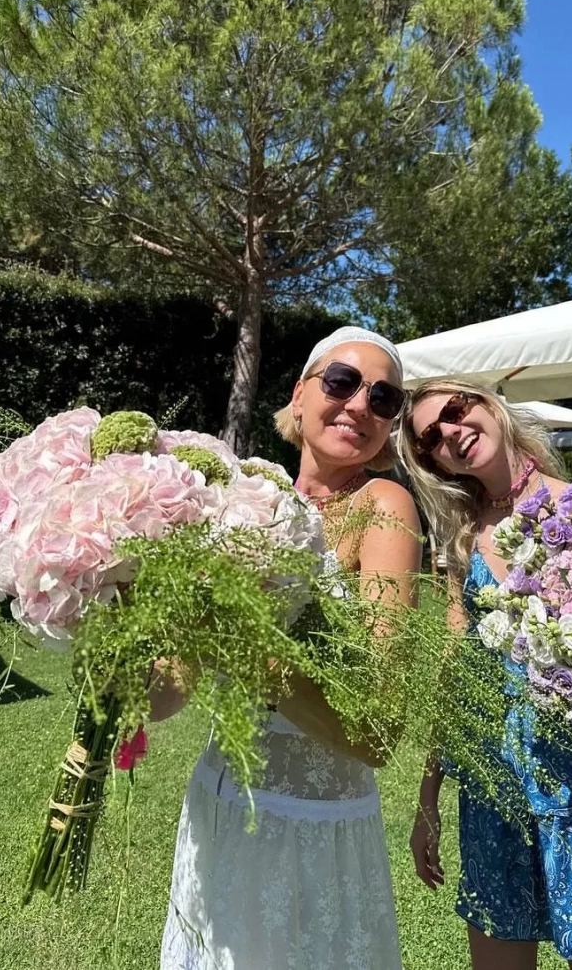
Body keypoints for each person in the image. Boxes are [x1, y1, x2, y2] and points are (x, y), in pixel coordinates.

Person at [398, 380, 572, 970]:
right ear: (434, 462)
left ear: (489, 405)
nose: (451, 431)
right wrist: (428, 796)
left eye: (456, 409)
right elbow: (458, 668)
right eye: (431, 438)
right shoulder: (461, 537)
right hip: (495, 785)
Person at [158, 326, 421, 970]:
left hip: (313, 831)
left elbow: (378, 732)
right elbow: (171, 692)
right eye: (342, 382)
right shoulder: (241, 499)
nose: (359, 405)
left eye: (383, 398)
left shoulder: (383, 506)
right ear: (299, 395)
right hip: (218, 810)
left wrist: (251, 648)